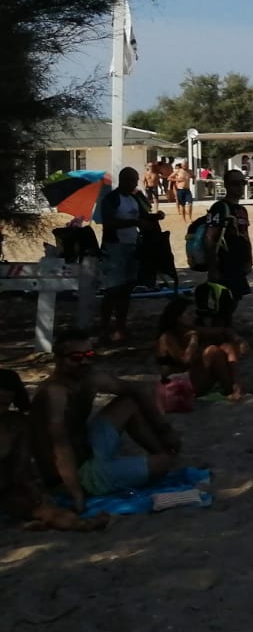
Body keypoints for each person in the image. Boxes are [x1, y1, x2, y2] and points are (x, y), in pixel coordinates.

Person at [29, 328, 181, 513]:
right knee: (163, 464)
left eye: (89, 355)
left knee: (128, 403)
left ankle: (163, 452)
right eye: (76, 357)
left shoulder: (90, 379)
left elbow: (139, 389)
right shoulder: (55, 394)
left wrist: (164, 429)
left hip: (88, 451)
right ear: (58, 359)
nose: (84, 361)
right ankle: (164, 459)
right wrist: (76, 494)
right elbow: (60, 447)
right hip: (73, 474)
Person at [1, 369, 110, 532]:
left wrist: (36, 492)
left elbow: (23, 467)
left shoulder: (18, 424)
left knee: (44, 509)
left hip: (9, 487)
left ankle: (79, 524)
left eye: (4, 403)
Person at [94, 166, 155, 343]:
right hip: (114, 247)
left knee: (127, 289)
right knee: (113, 289)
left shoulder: (135, 198)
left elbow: (144, 217)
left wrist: (153, 218)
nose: (135, 184)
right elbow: (109, 223)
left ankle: (121, 327)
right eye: (133, 180)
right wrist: (134, 222)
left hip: (132, 246)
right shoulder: (112, 199)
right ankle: (104, 328)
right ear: (124, 180)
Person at [156, 297, 246, 401]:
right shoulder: (167, 337)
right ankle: (232, 389)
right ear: (178, 318)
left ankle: (235, 386)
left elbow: (225, 331)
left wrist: (239, 340)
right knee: (213, 351)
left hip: (189, 380)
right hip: (174, 388)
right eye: (189, 314)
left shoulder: (190, 330)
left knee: (226, 347)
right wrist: (193, 340)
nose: (194, 317)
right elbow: (186, 360)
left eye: (194, 313)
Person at [200, 169, 253, 328]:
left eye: (242, 183)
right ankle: (218, 334)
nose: (240, 187)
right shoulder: (220, 207)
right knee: (222, 303)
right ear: (227, 185)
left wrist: (249, 258)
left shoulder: (242, 210)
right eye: (235, 183)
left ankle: (225, 331)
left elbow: (245, 235)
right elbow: (209, 237)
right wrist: (213, 268)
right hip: (223, 263)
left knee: (234, 299)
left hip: (238, 262)